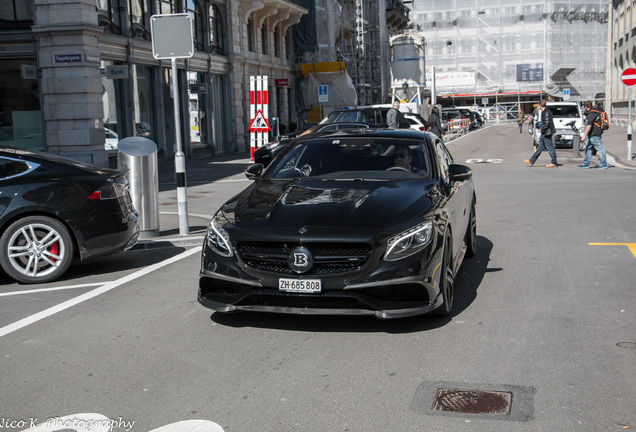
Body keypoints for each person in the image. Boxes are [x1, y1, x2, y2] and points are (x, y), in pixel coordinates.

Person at [524, 100, 558, 168]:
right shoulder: (545, 112)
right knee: (539, 148)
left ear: (540, 105)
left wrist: (541, 129)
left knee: (550, 148)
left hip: (546, 133)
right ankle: (531, 161)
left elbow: (546, 123)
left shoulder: (546, 112)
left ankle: (554, 162)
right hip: (545, 133)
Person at [578, 100, 608, 169]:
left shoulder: (591, 113)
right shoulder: (596, 112)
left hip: (594, 133)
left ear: (586, 106)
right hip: (596, 132)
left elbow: (589, 125)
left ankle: (603, 163)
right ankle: (586, 163)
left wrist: (584, 135)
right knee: (588, 148)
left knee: (600, 148)